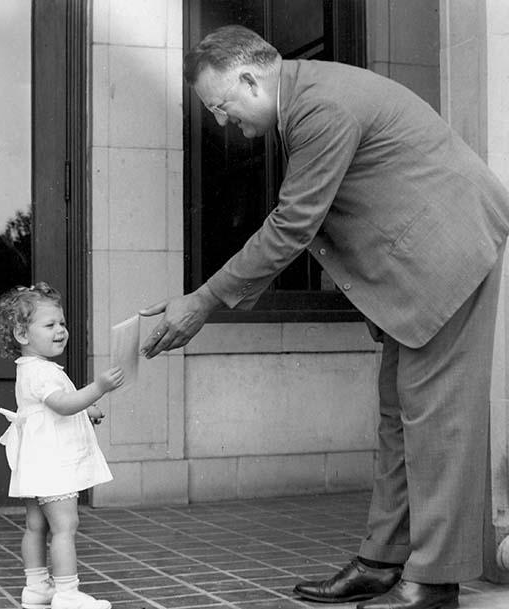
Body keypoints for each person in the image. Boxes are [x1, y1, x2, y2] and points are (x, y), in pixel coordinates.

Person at [139, 25, 509, 609]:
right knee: (398, 412)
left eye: (220, 106)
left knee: (439, 422)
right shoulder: (307, 99)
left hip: (449, 253)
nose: (220, 122)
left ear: (249, 77)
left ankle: (434, 582)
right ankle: (382, 560)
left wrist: (203, 300)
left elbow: (292, 226)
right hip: (416, 270)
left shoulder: (319, 107)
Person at [0, 282, 124, 609]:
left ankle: (36, 587)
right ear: (22, 335)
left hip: (37, 458)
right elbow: (63, 405)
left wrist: (85, 409)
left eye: (62, 323)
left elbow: (51, 408)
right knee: (65, 524)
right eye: (49, 325)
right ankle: (66, 593)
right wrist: (98, 388)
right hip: (53, 459)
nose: (61, 330)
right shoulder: (44, 372)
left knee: (37, 524)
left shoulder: (31, 369)